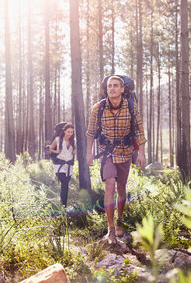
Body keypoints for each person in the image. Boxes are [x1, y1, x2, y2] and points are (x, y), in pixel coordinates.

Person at [86, 76, 146, 243]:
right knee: (110, 185)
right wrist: (88, 153)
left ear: (122, 89)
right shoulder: (98, 108)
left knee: (121, 187)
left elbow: (140, 132)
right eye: (109, 86)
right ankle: (110, 229)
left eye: (115, 86)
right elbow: (90, 132)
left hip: (126, 152)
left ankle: (120, 221)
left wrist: (141, 153)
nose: (111, 88)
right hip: (107, 152)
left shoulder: (132, 107)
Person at [50, 123, 77, 207]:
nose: (70, 134)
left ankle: (63, 205)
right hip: (59, 165)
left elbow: (73, 152)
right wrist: (56, 152)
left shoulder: (74, 141)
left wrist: (75, 151)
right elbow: (50, 149)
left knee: (65, 186)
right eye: (68, 132)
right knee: (64, 184)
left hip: (69, 166)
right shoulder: (58, 139)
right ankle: (63, 206)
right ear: (64, 131)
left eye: (71, 132)